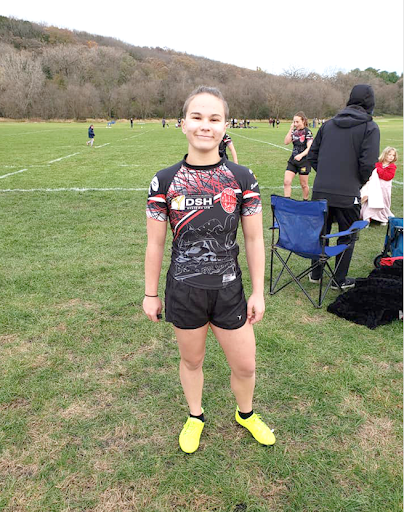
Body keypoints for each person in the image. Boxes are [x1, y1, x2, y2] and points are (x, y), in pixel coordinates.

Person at [143, 85, 275, 454]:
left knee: (246, 365)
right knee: (192, 360)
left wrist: (258, 292)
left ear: (225, 125)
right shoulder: (164, 181)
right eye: (197, 117)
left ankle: (245, 414)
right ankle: (195, 416)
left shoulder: (242, 177)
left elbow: (253, 240)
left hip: (228, 291)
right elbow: (155, 243)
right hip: (184, 290)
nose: (205, 125)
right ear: (182, 124)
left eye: (214, 118)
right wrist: (151, 293)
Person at [307, 84, 380, 290]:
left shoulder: (328, 124)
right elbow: (368, 163)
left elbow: (313, 156)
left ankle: (316, 273)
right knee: (347, 235)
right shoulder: (370, 127)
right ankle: (338, 279)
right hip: (348, 194)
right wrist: (356, 182)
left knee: (321, 232)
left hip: (321, 191)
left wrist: (325, 176)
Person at [361, 147, 398, 226]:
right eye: (389, 154)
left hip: (385, 188)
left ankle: (383, 218)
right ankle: (368, 217)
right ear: (385, 154)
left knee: (384, 202)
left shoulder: (392, 167)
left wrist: (378, 170)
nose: (391, 157)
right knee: (371, 201)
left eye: (393, 155)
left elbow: (387, 176)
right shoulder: (378, 164)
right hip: (375, 187)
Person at [283, 112, 313, 200]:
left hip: (304, 161)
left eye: (297, 122)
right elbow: (286, 142)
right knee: (286, 182)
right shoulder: (294, 132)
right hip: (293, 160)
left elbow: (310, 148)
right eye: (294, 122)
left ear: (303, 121)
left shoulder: (308, 132)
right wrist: (291, 129)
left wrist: (301, 155)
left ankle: (305, 201)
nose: (295, 124)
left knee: (304, 185)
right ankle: (287, 202)